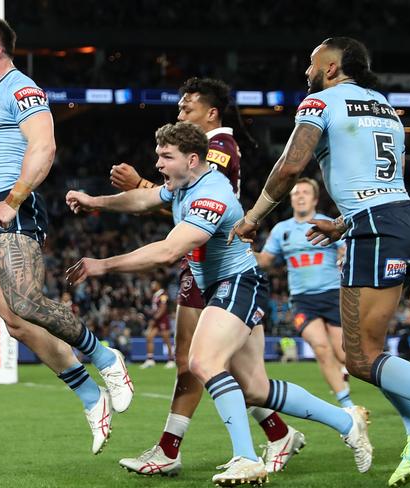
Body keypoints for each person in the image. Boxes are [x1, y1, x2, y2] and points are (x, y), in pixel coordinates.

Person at [67, 122, 372, 485]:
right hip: (221, 286)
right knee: (255, 388)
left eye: (166, 157)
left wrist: (103, 264)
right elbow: (143, 198)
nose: (159, 164)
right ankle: (346, 421)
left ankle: (245, 457)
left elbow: (168, 251)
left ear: (192, 159)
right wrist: (95, 201)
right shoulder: (183, 184)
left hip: (239, 284)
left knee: (202, 361)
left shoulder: (211, 195)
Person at [231, 37, 410, 487]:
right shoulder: (384, 107)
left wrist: (252, 217)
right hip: (403, 221)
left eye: (312, 64)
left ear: (330, 69)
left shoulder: (320, 101)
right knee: (366, 350)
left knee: (359, 355)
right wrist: (345, 224)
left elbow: (291, 166)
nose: (306, 71)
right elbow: (384, 179)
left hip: (376, 228)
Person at [0, 17, 133, 455]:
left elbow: (44, 147)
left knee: (28, 300)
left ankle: (107, 359)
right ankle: (91, 398)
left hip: (15, 207)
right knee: (15, 323)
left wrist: (13, 201)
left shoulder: (20, 88)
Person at [110, 77, 304, 475]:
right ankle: (275, 433)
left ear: (210, 112)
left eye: (187, 108)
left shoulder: (216, 148)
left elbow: (192, 207)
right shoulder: (210, 149)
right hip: (201, 261)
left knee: (202, 362)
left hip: (216, 262)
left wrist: (143, 186)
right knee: (216, 365)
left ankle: (179, 450)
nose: (180, 112)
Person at [256, 178, 354, 408]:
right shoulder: (282, 230)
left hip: (332, 295)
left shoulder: (330, 224)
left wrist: (344, 255)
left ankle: (394, 389)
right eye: (295, 193)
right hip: (302, 300)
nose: (299, 196)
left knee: (345, 355)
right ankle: (349, 407)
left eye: (305, 192)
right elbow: (266, 261)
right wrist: (242, 251)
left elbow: (346, 250)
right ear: (291, 199)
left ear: (315, 199)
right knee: (320, 347)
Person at [140, 279, 175, 369]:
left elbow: (163, 308)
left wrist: (154, 318)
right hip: (156, 320)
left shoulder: (163, 294)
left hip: (162, 320)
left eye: (154, 284)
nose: (152, 286)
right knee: (149, 337)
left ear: (158, 285)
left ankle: (171, 360)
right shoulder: (155, 295)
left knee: (166, 339)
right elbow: (156, 308)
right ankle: (150, 359)